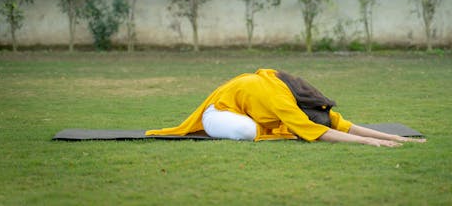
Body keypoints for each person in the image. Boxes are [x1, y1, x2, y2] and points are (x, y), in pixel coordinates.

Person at [146, 69, 426, 147]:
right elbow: (318, 133)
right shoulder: (282, 101)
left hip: (244, 107)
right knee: (247, 131)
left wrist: (396, 138)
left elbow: (338, 124)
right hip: (217, 115)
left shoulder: (303, 95)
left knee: (265, 126)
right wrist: (365, 142)